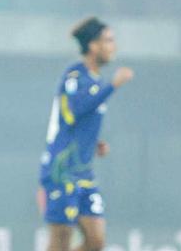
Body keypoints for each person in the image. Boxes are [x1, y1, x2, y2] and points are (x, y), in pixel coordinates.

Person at [37, 17, 133, 251]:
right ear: (93, 45)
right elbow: (74, 112)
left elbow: (79, 123)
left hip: (84, 172)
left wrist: (92, 142)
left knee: (96, 241)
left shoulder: (95, 81)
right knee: (60, 240)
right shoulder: (75, 77)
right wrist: (113, 86)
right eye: (108, 40)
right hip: (61, 170)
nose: (113, 46)